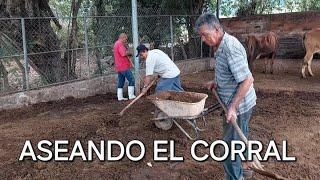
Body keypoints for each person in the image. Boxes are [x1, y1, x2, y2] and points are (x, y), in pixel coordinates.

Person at [195, 13, 257, 180]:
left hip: (240, 106)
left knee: (229, 151)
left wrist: (233, 107)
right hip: (238, 104)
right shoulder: (220, 45)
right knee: (240, 136)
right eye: (201, 36)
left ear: (216, 29)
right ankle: (246, 167)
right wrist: (216, 82)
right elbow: (229, 72)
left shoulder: (230, 47)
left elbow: (247, 79)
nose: (203, 39)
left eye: (204, 35)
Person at [113, 33, 136, 101]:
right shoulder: (120, 44)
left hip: (119, 66)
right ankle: (131, 95)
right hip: (123, 66)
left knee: (121, 81)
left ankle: (120, 97)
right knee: (131, 79)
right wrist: (130, 53)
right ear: (122, 38)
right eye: (125, 39)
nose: (126, 40)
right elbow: (123, 53)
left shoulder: (116, 43)